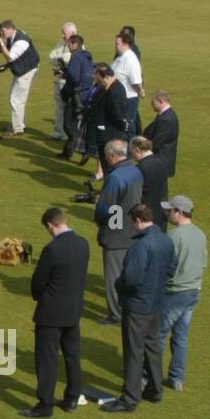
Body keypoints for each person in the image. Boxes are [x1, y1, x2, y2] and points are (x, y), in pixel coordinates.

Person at [102, 204, 175, 413]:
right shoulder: (166, 240)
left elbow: (131, 278)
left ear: (136, 221)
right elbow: (171, 268)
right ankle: (155, 390)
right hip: (156, 304)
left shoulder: (140, 246)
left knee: (134, 351)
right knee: (152, 347)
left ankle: (129, 398)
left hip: (137, 306)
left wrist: (119, 286)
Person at [20, 207, 88, 418]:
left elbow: (38, 282)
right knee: (72, 356)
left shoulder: (52, 249)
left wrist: (40, 296)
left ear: (50, 225)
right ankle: (71, 399)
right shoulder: (83, 244)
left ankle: (45, 405)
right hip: (73, 311)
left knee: (47, 359)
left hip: (51, 313)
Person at [94, 139, 144, 325]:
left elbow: (109, 208)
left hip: (117, 235)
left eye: (107, 157)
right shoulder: (136, 170)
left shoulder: (115, 177)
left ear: (113, 156)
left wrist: (102, 223)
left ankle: (116, 315)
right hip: (134, 229)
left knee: (114, 276)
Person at [158, 195, 206, 392]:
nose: (168, 214)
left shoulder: (173, 237)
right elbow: (203, 264)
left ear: (179, 212)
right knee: (181, 337)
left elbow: (165, 268)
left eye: (170, 211)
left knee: (158, 335)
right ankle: (177, 378)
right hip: (193, 292)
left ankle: (148, 375)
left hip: (175, 293)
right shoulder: (201, 235)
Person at [0, 20, 40, 137]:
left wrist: (2, 43)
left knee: (16, 99)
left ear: (10, 29)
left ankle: (18, 129)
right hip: (24, 70)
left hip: (27, 72)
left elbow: (10, 57)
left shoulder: (21, 41)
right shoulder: (12, 36)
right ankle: (20, 124)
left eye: (3, 31)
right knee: (18, 99)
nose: (2, 33)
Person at [89, 63, 132, 179]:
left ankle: (110, 192)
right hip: (106, 134)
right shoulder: (107, 88)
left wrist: (124, 126)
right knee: (107, 166)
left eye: (100, 81)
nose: (99, 84)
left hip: (111, 135)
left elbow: (117, 114)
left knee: (110, 167)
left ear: (107, 77)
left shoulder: (114, 91)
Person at [58, 34, 94, 161]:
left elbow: (73, 76)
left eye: (70, 43)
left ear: (75, 44)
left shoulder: (76, 57)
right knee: (75, 123)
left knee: (68, 124)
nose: (68, 46)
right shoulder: (87, 57)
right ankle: (68, 151)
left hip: (75, 95)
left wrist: (65, 74)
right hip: (85, 94)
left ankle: (82, 148)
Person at [131, 136, 170, 231]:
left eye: (131, 151)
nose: (131, 155)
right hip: (161, 214)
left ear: (137, 150)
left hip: (144, 217)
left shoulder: (139, 168)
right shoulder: (162, 163)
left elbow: (134, 195)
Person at [48, 22, 77, 141]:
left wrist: (60, 61)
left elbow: (67, 60)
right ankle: (59, 131)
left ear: (73, 33)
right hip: (58, 80)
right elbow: (51, 56)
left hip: (66, 83)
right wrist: (59, 61)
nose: (62, 36)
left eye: (64, 33)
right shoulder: (62, 44)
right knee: (59, 108)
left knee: (66, 109)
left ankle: (66, 133)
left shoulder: (77, 45)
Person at [112, 31, 144, 137]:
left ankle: (129, 152)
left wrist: (140, 91)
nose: (115, 46)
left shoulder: (130, 60)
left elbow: (136, 82)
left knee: (127, 127)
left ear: (125, 44)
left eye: (117, 44)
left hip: (128, 100)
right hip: (120, 99)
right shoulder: (121, 57)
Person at [143, 90, 179, 177]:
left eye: (153, 102)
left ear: (160, 101)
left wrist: (142, 149)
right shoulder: (165, 115)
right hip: (160, 160)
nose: (152, 105)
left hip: (160, 161)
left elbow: (157, 142)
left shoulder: (167, 119)